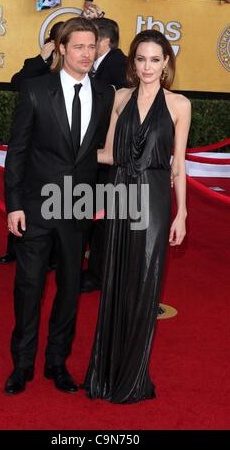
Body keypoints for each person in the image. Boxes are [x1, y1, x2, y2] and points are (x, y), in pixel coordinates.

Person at [3, 17, 114, 396]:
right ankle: (21, 365)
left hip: (78, 207)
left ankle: (56, 362)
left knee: (69, 290)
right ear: (62, 48)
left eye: (92, 46)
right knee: (29, 287)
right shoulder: (35, 89)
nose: (86, 53)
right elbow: (17, 151)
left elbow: (99, 151)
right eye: (78, 46)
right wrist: (13, 204)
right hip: (34, 206)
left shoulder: (105, 93)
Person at [83, 29, 191, 403]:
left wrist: (182, 214)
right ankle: (106, 374)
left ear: (166, 64)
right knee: (114, 280)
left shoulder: (179, 105)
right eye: (141, 59)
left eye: (155, 59)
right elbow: (110, 154)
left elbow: (178, 166)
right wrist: (61, 152)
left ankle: (131, 376)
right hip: (120, 195)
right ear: (133, 62)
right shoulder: (120, 97)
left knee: (144, 285)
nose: (147, 66)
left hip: (155, 200)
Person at [0, 22, 64, 266]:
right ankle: (15, 249)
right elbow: (17, 83)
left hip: (59, 147)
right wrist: (40, 59)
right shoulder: (37, 65)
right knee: (24, 197)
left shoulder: (75, 69)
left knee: (57, 202)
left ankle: (53, 256)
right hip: (31, 144)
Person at [80, 17, 127, 293]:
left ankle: (100, 274)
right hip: (98, 155)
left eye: (91, 41)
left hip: (111, 159)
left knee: (104, 220)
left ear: (104, 42)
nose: (86, 48)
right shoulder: (102, 65)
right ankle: (94, 270)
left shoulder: (119, 66)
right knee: (95, 217)